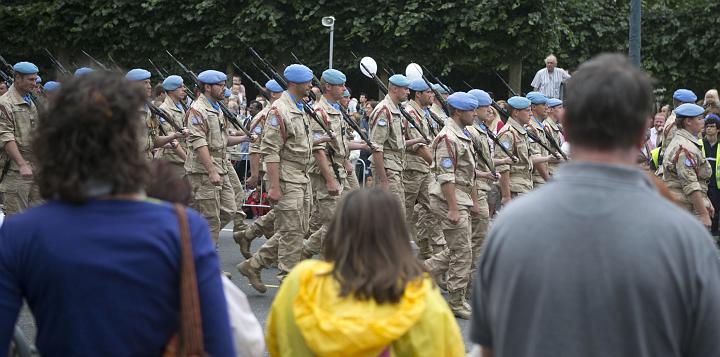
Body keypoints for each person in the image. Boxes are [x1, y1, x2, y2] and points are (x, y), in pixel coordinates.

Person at [471, 53, 720, 357]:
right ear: (645, 131)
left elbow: (486, 350)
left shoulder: (509, 228)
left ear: (565, 126)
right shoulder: (688, 241)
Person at [0, 72, 235, 356]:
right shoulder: (184, 227)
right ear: (128, 141)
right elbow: (218, 344)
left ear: (52, 141)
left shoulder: (20, 233)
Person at [266, 188, 464, 357]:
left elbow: (275, 342)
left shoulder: (301, 282)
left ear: (337, 231)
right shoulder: (420, 295)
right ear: (398, 236)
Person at [238, 64, 313, 290]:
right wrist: (273, 187)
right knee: (291, 233)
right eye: (307, 81)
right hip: (286, 178)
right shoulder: (279, 110)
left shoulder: (300, 107)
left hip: (302, 176)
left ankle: (254, 264)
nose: (311, 85)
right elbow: (270, 151)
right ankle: (288, 285)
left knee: (297, 230)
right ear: (293, 84)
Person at [424, 92, 480, 319]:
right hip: (449, 199)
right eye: (471, 110)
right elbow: (446, 177)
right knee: (462, 251)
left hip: (459, 197)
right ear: (458, 112)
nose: (474, 114)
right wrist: (454, 208)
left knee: (458, 249)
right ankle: (456, 302)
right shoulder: (448, 138)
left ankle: (413, 273)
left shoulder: (461, 134)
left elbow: (467, 173)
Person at [184, 69, 241, 245]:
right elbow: (199, 143)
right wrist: (211, 171)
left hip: (220, 166)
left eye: (224, 85)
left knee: (230, 209)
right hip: (203, 171)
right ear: (207, 87)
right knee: (211, 220)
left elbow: (222, 140)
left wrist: (245, 137)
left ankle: (192, 239)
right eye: (220, 85)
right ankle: (204, 264)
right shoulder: (198, 110)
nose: (224, 89)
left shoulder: (216, 108)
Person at [301, 69, 350, 258]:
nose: (344, 89)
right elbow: (318, 149)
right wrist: (330, 180)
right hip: (326, 173)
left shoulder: (336, 109)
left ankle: (302, 253)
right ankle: (327, 270)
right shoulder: (320, 112)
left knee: (336, 223)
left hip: (338, 170)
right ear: (328, 87)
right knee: (333, 226)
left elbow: (338, 144)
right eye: (340, 85)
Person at [233, 81, 283, 259]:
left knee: (282, 212)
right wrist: (254, 175)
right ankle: (272, 253)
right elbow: (255, 147)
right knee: (283, 212)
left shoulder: (280, 111)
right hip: (270, 169)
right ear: (276, 94)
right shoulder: (265, 115)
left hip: (283, 168)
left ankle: (248, 235)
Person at [0, 62, 42, 215]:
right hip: (16, 171)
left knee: (39, 219)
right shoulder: (5, 103)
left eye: (35, 79)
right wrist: (22, 164)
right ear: (17, 78)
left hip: (35, 167)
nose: (34, 83)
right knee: (18, 222)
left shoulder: (30, 101)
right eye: (31, 80)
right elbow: (6, 137)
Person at [662, 103, 714, 228]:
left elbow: (697, 180)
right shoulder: (685, 148)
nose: (704, 122)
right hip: (686, 210)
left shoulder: (686, 142)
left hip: (687, 207)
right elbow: (690, 184)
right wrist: (703, 213)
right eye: (699, 119)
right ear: (688, 121)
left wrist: (707, 202)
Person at [402, 79, 435, 258]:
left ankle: (426, 249)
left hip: (424, 168)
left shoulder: (423, 112)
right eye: (428, 92)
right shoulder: (410, 113)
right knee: (405, 212)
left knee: (432, 208)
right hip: (412, 169)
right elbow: (419, 145)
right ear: (418, 94)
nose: (431, 95)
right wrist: (436, 165)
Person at [369, 74, 410, 214]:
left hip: (395, 168)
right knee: (390, 216)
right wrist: (383, 180)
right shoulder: (384, 111)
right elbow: (376, 147)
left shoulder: (395, 109)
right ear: (394, 89)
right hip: (387, 170)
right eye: (405, 88)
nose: (408, 92)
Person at [494, 96, 534, 205]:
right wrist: (506, 195)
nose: (531, 114)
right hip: (515, 189)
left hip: (524, 186)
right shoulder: (508, 133)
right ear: (516, 112)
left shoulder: (520, 131)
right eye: (527, 110)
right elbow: (503, 166)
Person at [157, 75, 189, 178]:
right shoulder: (165, 109)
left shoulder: (180, 106)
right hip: (172, 161)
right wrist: (187, 160)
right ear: (171, 90)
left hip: (182, 158)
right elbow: (172, 139)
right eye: (180, 87)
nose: (184, 89)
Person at [701, 116, 720, 236]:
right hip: (701, 184)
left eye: (712, 126)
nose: (709, 129)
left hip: (716, 186)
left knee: (715, 211)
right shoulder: (699, 144)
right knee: (701, 210)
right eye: (707, 126)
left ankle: (714, 234)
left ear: (718, 129)